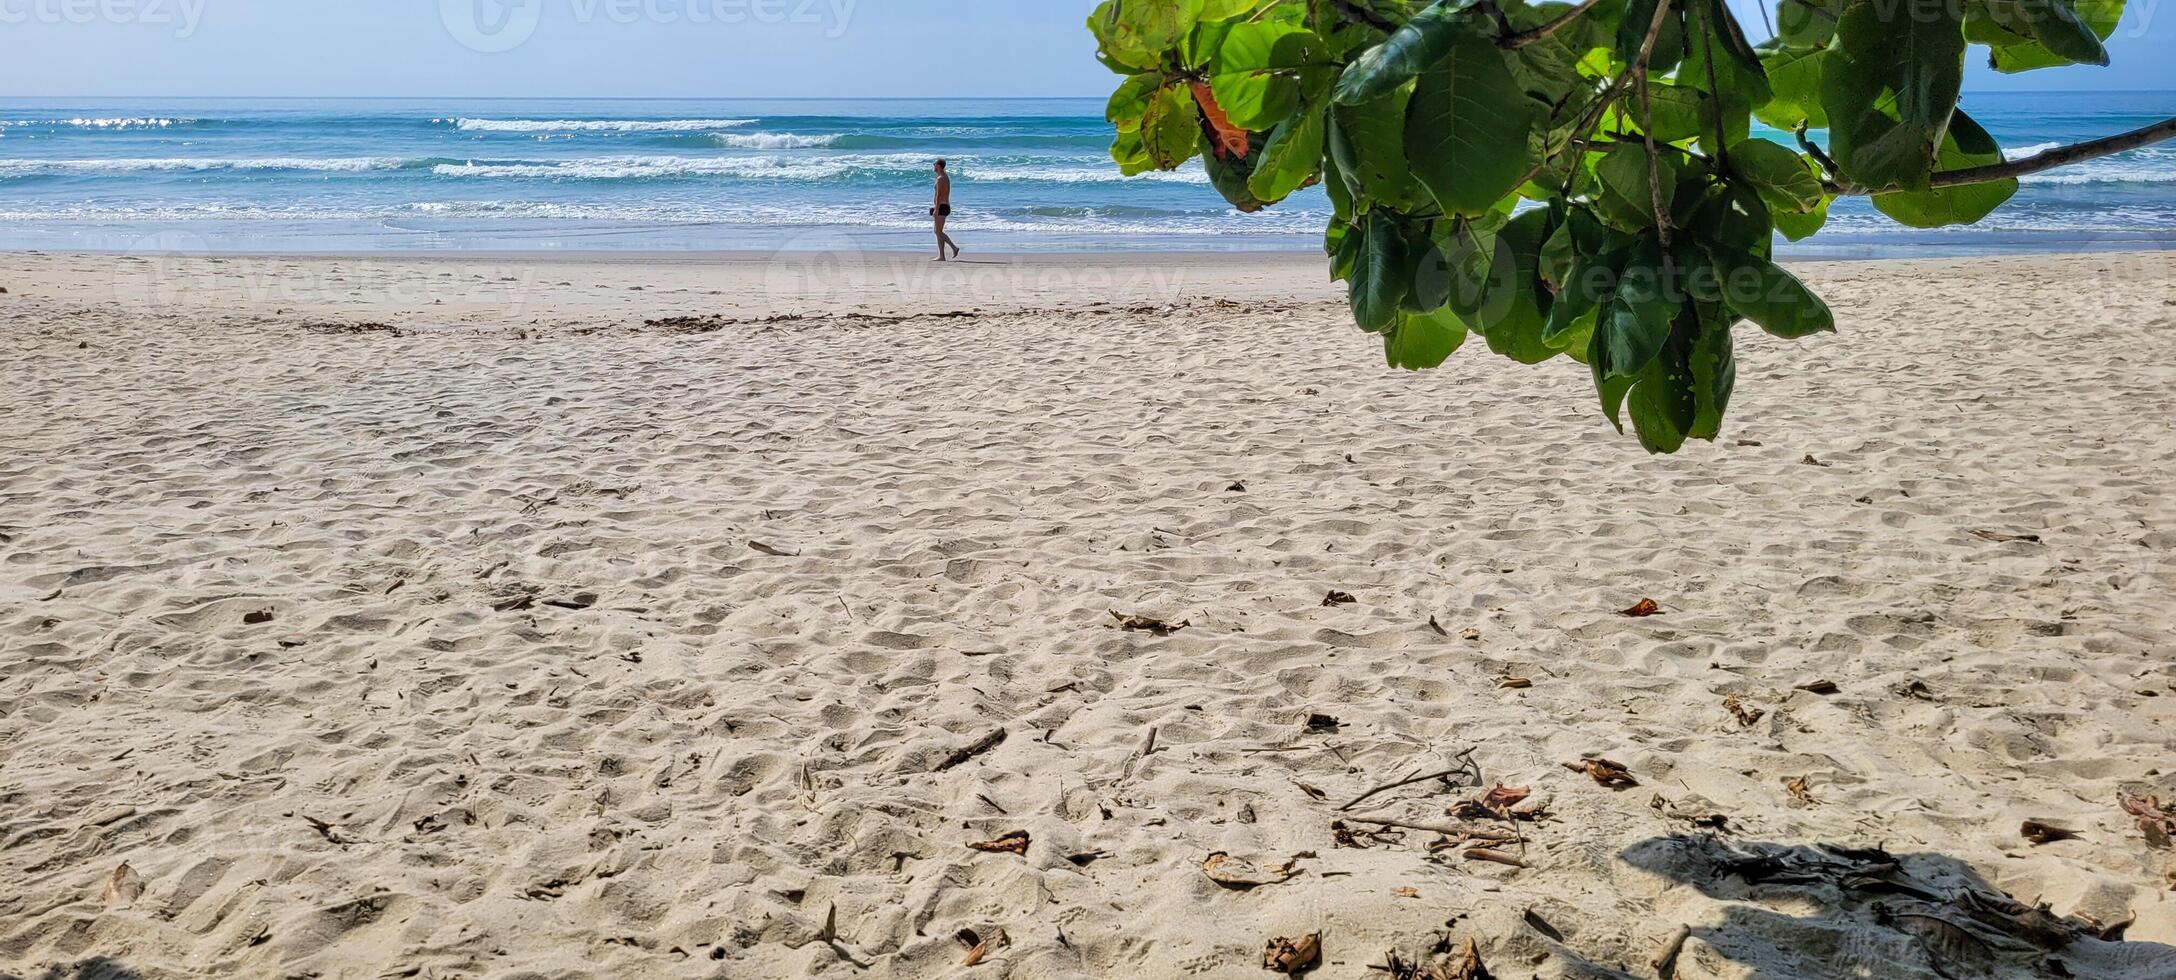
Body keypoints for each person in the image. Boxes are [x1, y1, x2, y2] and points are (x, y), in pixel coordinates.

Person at [931, 159, 961, 261]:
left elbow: (939, 195)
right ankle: (942, 256)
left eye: (935, 164)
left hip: (942, 206)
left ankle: (954, 247)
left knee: (938, 232)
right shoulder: (944, 177)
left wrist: (936, 209)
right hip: (943, 206)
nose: (933, 166)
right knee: (938, 231)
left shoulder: (941, 178)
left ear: (939, 166)